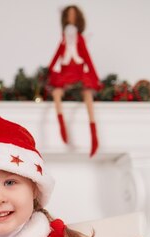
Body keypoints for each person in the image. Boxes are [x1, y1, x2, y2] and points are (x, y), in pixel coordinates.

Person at [47, 5, 101, 157]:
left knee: (88, 94)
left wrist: (94, 75)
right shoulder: (64, 39)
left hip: (78, 71)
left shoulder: (81, 39)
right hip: (65, 72)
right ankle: (62, 127)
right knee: (57, 93)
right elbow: (57, 54)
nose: (71, 18)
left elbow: (87, 57)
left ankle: (94, 134)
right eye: (69, 15)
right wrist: (49, 70)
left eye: (73, 15)